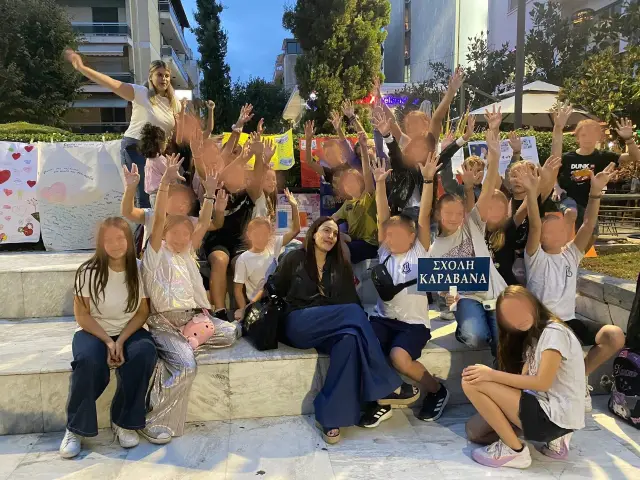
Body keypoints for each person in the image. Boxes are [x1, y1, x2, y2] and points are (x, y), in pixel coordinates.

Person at [269, 217, 420, 444]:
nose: (330, 236)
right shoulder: (295, 258)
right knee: (352, 313)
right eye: (326, 230)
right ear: (314, 233)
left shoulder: (339, 267)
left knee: (349, 339)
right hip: (298, 322)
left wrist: (362, 332)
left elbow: (353, 304)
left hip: (329, 328)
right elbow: (274, 287)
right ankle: (386, 384)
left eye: (335, 234)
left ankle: (330, 417)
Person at [141, 156, 238, 444]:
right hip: (164, 323)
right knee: (186, 367)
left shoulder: (186, 253)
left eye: (187, 233)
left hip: (192, 320)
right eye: (176, 232)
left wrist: (209, 194)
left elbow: (205, 223)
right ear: (164, 233)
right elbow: (159, 219)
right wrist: (164, 183)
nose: (183, 237)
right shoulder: (154, 254)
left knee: (230, 332)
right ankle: (153, 420)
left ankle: (187, 343)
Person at [524, 162, 626, 418]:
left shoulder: (571, 255)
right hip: (544, 326)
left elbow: (588, 224)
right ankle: (567, 384)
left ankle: (579, 380)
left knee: (614, 336)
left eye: (562, 227)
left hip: (569, 322)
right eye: (550, 228)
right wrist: (532, 192)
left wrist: (595, 192)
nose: (559, 230)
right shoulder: (535, 257)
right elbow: (534, 225)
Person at [359, 154, 450, 428]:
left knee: (399, 357)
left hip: (413, 324)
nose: (392, 237)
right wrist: (379, 184)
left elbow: (423, 215)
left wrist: (428, 180)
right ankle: (385, 398)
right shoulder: (384, 250)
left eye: (399, 233)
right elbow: (382, 215)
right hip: (383, 319)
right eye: (389, 234)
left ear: (412, 237)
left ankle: (436, 390)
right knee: (367, 347)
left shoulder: (419, 250)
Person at [59, 217, 156, 459]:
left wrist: (121, 340)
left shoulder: (139, 269)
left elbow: (142, 311)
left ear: (129, 240)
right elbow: (82, 315)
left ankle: (124, 422)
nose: (115, 244)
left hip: (128, 329)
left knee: (144, 354)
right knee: (88, 361)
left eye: (120, 238)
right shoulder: (88, 271)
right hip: (93, 330)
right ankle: (75, 428)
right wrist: (108, 341)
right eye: (108, 240)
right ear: (100, 243)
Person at [462, 286, 586, 469]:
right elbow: (523, 381)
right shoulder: (532, 336)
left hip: (553, 415)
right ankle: (555, 441)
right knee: (475, 432)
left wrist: (490, 375)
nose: (516, 318)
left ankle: (515, 451)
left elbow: (542, 383)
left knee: (471, 382)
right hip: (542, 406)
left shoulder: (554, 332)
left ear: (532, 303)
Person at [64, 50, 181, 209]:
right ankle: (146, 225)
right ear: (151, 77)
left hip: (157, 152)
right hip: (136, 147)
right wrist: (82, 68)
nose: (164, 79)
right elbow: (112, 83)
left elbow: (178, 132)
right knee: (145, 195)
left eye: (167, 75)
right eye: (159, 75)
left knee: (160, 194)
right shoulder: (141, 93)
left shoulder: (174, 103)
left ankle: (156, 223)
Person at [429, 130, 507, 359]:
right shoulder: (435, 250)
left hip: (496, 294)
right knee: (475, 336)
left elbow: (488, 189)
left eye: (458, 213)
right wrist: (449, 296)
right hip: (467, 298)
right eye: (448, 213)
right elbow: (444, 288)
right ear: (438, 215)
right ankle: (464, 329)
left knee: (504, 342)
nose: (454, 218)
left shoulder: (473, 223)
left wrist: (494, 156)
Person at [200, 132, 267, 319]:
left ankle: (247, 309)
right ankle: (220, 311)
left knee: (243, 261)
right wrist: (243, 156)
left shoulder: (248, 191)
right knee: (220, 260)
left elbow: (258, 179)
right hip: (216, 239)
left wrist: (258, 154)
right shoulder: (214, 184)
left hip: (240, 242)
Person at [557, 113, 640, 238]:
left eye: (591, 135)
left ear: (598, 137)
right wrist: (556, 187)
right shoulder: (566, 157)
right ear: (577, 137)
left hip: (590, 205)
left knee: (591, 236)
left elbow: (635, 157)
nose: (587, 138)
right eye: (584, 135)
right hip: (568, 203)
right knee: (567, 237)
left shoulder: (603, 156)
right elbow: (553, 174)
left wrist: (629, 139)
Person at [233, 189, 301, 319]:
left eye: (264, 234)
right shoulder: (243, 259)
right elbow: (237, 289)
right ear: (248, 235)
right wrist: (243, 310)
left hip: (278, 300)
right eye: (256, 234)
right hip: (258, 305)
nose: (260, 238)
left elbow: (295, 230)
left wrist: (294, 206)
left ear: (269, 235)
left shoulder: (274, 245)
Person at [121, 163, 198, 251]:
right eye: (176, 200)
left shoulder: (191, 221)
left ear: (189, 207)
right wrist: (130, 188)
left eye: (185, 202)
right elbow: (128, 212)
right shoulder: (151, 216)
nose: (181, 205)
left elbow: (210, 223)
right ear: (165, 201)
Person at [332, 131, 378, 264]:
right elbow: (332, 218)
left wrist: (363, 148)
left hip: (369, 245)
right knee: (333, 238)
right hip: (353, 241)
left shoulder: (368, 196)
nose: (349, 185)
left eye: (352, 182)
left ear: (360, 182)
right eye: (346, 184)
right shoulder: (347, 203)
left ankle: (347, 274)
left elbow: (367, 173)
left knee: (341, 247)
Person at [139, 123, 169, 207]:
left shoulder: (149, 159)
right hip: (161, 195)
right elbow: (169, 174)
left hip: (152, 196)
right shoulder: (160, 160)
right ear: (160, 143)